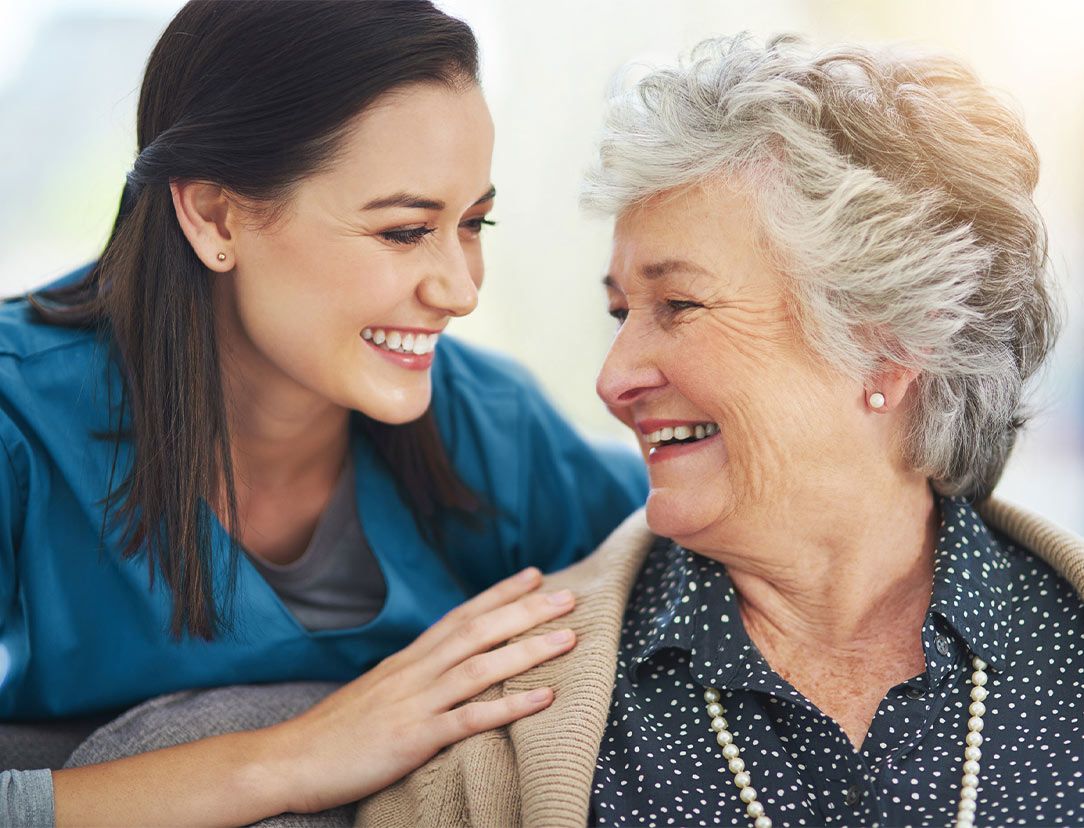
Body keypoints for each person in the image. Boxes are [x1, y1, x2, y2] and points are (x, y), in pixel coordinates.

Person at [354, 34, 1084, 828]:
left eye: (680, 307)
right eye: (619, 315)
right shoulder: (500, 716)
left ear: (891, 346)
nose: (613, 379)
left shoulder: (1062, 644)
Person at [0, 2, 647, 825]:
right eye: (406, 231)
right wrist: (296, 756)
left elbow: (707, 541)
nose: (460, 290)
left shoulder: (489, 426)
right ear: (215, 215)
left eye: (474, 224)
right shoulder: (17, 419)